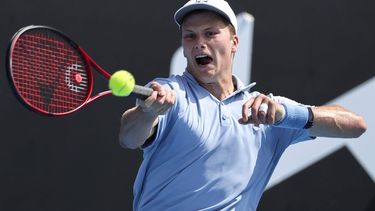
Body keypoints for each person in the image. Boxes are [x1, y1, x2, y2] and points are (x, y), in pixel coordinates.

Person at [119, 0, 367, 210]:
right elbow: (129, 138)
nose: (199, 43)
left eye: (210, 33)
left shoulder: (268, 111)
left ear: (234, 42)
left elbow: (356, 125)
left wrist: (286, 115)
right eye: (190, 35)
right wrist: (146, 112)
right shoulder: (172, 93)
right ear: (184, 47)